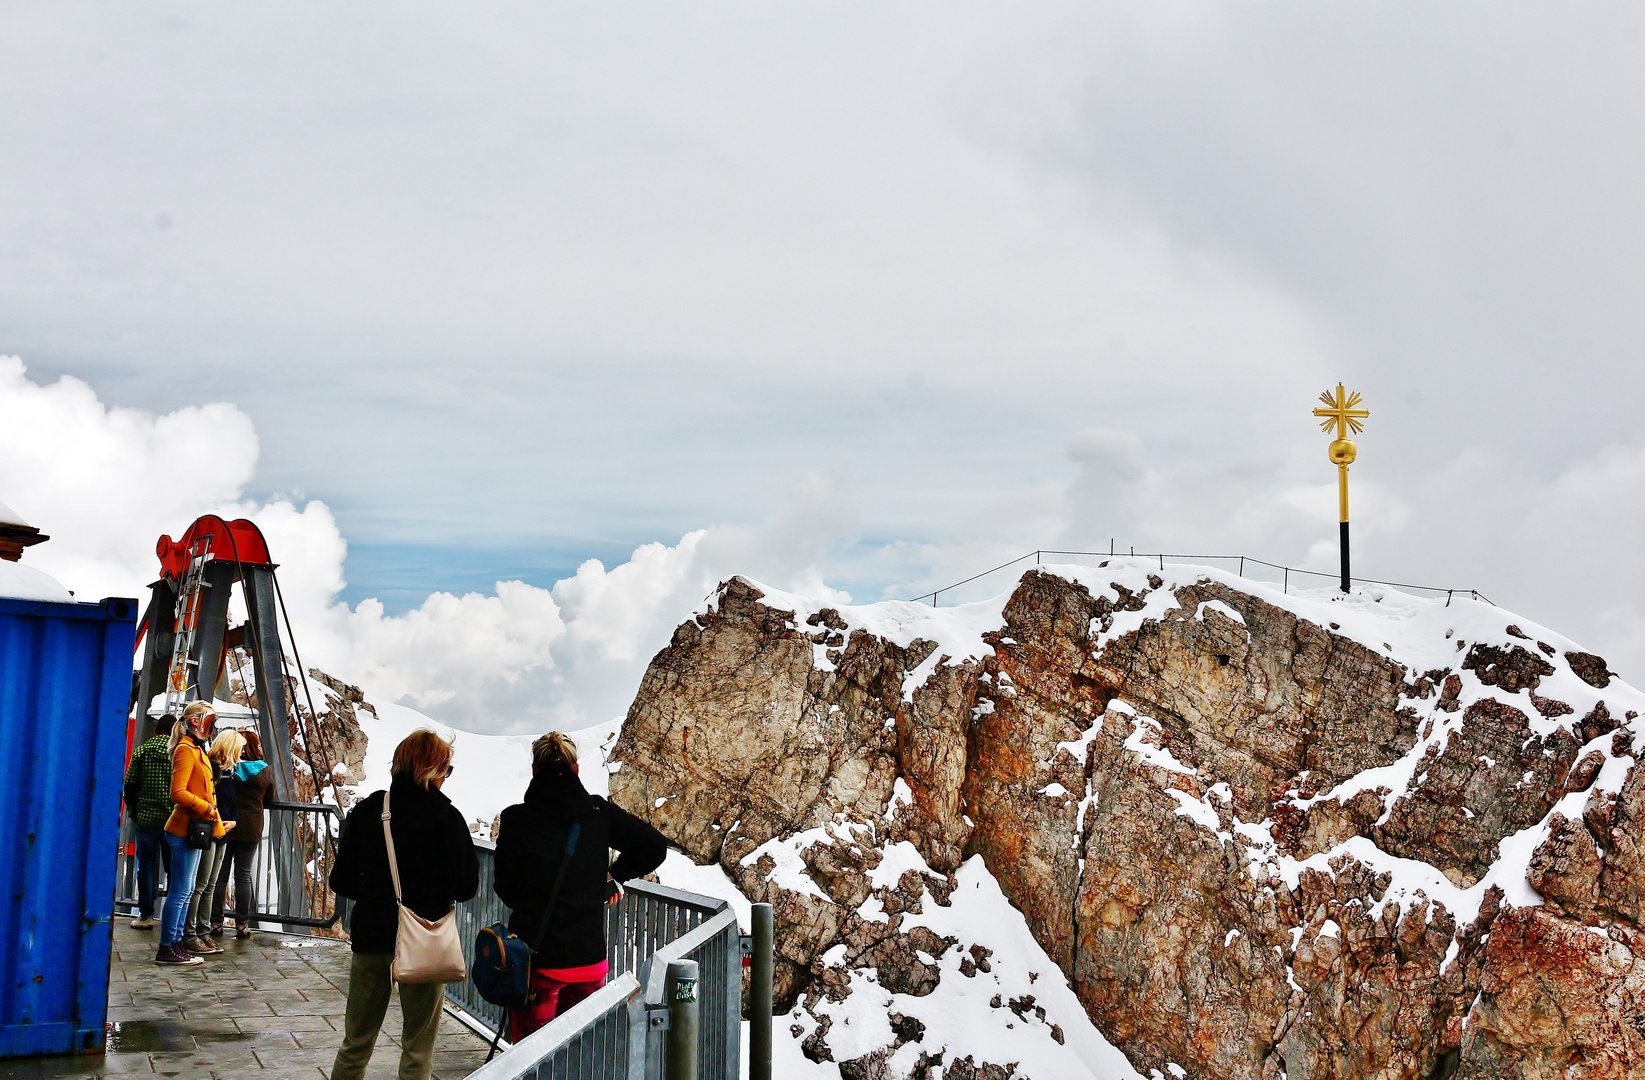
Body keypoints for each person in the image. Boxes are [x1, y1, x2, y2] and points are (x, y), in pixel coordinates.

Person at [494, 732, 667, 1042]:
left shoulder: (516, 819)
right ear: (576, 769)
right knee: (581, 1055)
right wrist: (613, 876)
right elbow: (653, 846)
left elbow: (506, 891)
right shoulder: (598, 814)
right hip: (589, 961)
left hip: (538, 963)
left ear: (535, 770)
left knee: (533, 1057)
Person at [329, 730, 479, 1080]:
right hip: (423, 939)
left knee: (357, 1040)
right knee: (418, 1046)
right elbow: (466, 886)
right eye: (446, 770)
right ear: (432, 771)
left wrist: (376, 890)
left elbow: (341, 881)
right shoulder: (446, 818)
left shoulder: (369, 811)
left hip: (372, 936)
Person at [157, 701, 226, 966]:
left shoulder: (194, 748)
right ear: (196, 721)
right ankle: (168, 946)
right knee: (181, 890)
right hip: (186, 828)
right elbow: (178, 792)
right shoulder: (186, 750)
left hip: (194, 829)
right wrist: (205, 806)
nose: (213, 724)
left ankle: (175, 944)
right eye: (210, 718)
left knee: (185, 891)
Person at [182, 729, 239, 955]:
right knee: (201, 885)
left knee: (210, 885)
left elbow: (230, 803)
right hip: (209, 830)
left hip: (221, 831)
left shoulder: (227, 771)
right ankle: (192, 932)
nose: (241, 753)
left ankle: (203, 932)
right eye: (239, 749)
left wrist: (233, 820)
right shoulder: (212, 768)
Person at [214, 728, 272, 939]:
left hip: (226, 824)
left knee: (220, 876)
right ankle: (242, 924)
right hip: (251, 827)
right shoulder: (264, 770)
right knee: (243, 876)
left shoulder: (227, 767)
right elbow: (270, 797)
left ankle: (215, 922)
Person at [123, 713, 177, 930]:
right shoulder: (179, 752)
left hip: (146, 820)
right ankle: (173, 917)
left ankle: (146, 915)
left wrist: (135, 812)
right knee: (175, 869)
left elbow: (130, 785)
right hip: (174, 821)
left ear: (156, 730)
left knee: (146, 868)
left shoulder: (142, 751)